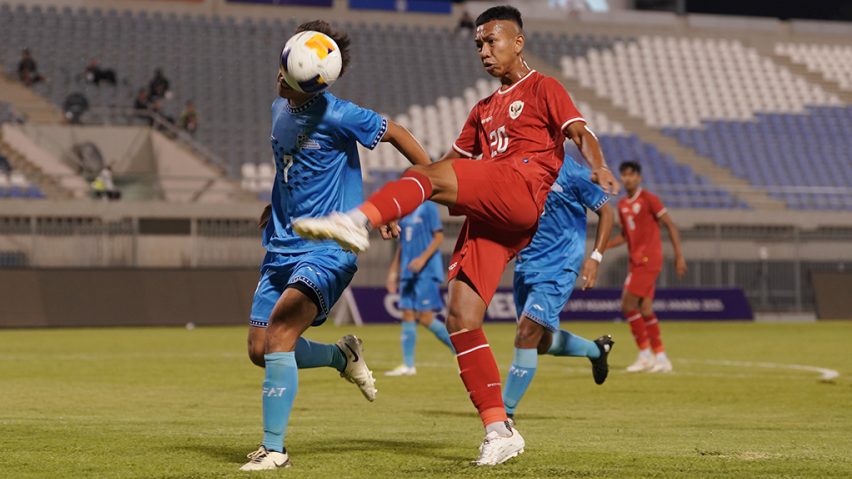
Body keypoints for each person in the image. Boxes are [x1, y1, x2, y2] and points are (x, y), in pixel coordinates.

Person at [293, 6, 618, 466]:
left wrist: (600, 165)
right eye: (479, 44)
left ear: (518, 41)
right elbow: (441, 166)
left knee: (431, 178)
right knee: (461, 318)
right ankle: (499, 429)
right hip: (495, 216)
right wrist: (401, 206)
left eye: (493, 41)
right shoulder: (483, 109)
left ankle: (355, 221)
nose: (484, 51)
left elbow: (580, 132)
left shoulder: (544, 88)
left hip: (522, 187)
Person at [240, 20, 433, 471]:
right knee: (258, 348)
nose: (279, 77)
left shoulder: (339, 114)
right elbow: (290, 166)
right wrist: (275, 205)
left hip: (329, 247)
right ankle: (340, 355)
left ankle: (275, 450)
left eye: (287, 72)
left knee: (282, 334)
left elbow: (399, 133)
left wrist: (431, 184)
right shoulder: (279, 108)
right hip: (282, 245)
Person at [503, 155, 615, 420]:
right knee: (539, 344)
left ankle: (503, 416)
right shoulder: (519, 166)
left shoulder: (573, 172)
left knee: (526, 334)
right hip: (527, 264)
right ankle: (596, 350)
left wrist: (595, 257)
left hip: (560, 263)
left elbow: (606, 212)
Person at [605, 161, 686, 373]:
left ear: (639, 177)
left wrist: (679, 256)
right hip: (636, 261)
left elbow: (670, 225)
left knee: (627, 305)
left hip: (649, 260)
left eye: (631, 175)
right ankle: (660, 357)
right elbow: (625, 235)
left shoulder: (649, 199)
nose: (627, 178)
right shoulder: (622, 205)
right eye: (624, 175)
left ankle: (644, 353)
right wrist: (604, 246)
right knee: (646, 309)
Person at [384, 201, 454, 377]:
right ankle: (409, 366)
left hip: (426, 270)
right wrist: (393, 271)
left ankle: (461, 351)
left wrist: (422, 259)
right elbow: (402, 244)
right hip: (408, 271)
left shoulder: (429, 207)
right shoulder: (405, 211)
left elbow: (438, 237)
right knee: (407, 314)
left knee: (425, 318)